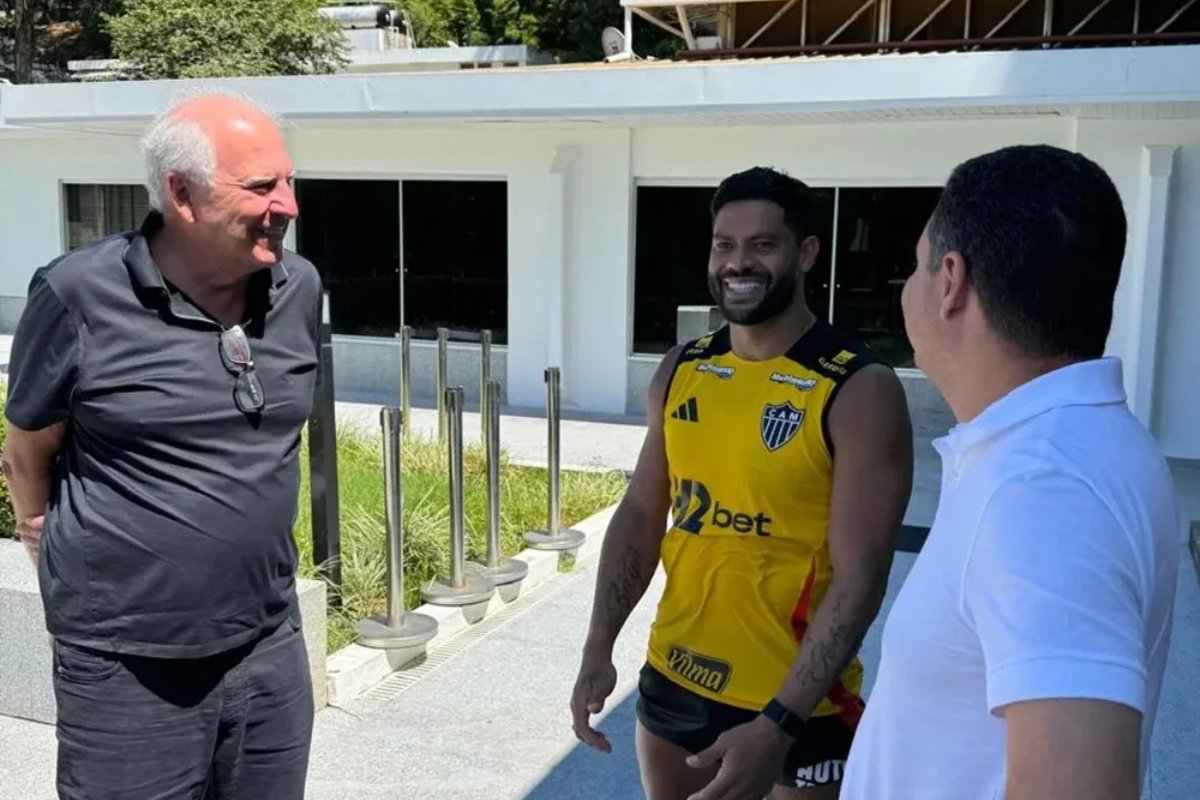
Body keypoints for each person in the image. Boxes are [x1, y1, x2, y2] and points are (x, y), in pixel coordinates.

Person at [1, 90, 323, 799]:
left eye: (289, 180)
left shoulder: (298, 288)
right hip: (127, 669)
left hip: (269, 644)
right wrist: (42, 535)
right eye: (263, 186)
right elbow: (27, 447)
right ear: (182, 194)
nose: (290, 204)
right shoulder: (77, 294)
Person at [839, 144, 1181, 800]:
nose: (906, 286)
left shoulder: (1044, 490)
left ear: (951, 281)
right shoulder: (1058, 451)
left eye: (913, 265)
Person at [570, 166, 914, 799]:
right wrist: (598, 643)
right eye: (724, 244)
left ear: (805, 253)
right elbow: (643, 517)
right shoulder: (682, 369)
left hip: (796, 710)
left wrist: (780, 722)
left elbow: (861, 578)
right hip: (674, 685)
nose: (738, 262)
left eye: (762, 244)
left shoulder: (858, 388)